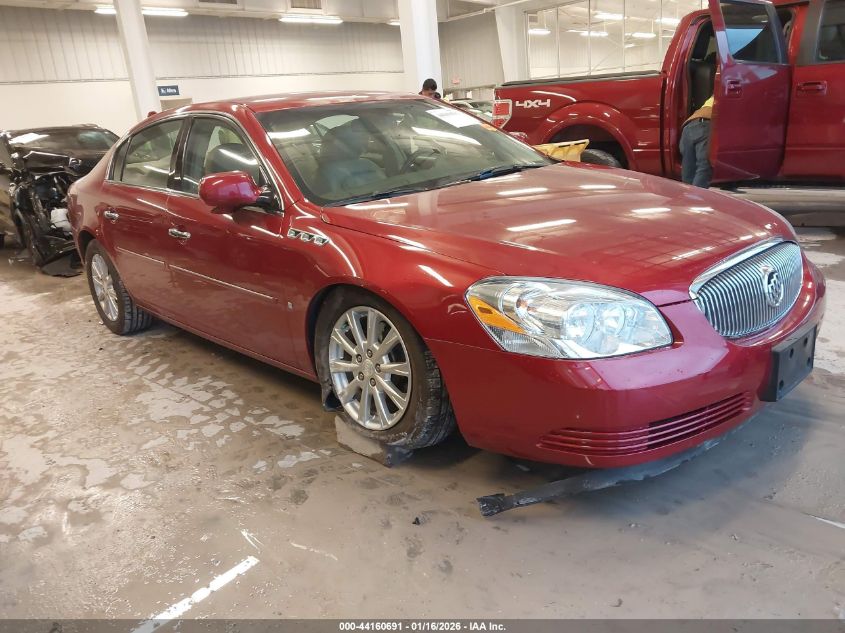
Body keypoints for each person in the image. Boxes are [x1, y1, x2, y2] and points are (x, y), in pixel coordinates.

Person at [679, 95, 713, 188]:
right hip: (705, 124)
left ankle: (687, 196)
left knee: (688, 171)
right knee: (704, 168)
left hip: (688, 126)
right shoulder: (723, 96)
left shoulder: (711, 99)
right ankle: (695, 196)